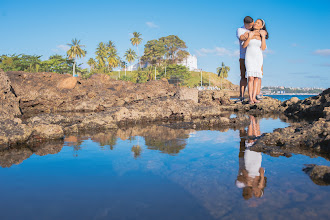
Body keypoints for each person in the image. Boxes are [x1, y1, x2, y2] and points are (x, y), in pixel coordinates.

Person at [242, 19, 269, 104]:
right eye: (256, 22)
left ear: (261, 26)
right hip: (249, 56)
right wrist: (249, 37)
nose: (256, 24)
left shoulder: (262, 35)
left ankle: (254, 98)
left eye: (258, 23)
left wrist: (263, 36)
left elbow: (263, 48)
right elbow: (244, 46)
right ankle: (250, 98)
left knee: (256, 78)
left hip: (258, 57)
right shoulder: (248, 33)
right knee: (250, 77)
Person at [236, 16, 254, 103]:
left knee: (253, 76)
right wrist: (250, 34)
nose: (251, 27)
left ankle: (254, 96)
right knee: (243, 76)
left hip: (253, 56)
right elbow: (241, 38)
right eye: (250, 25)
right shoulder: (240, 29)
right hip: (243, 56)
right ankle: (241, 96)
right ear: (245, 24)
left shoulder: (253, 29)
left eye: (252, 25)